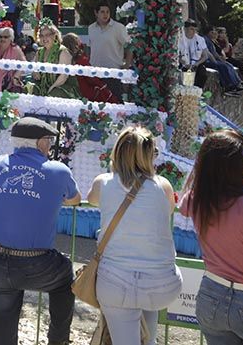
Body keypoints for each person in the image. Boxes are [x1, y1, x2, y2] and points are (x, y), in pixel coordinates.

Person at [0, 117, 81, 345]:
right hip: (35, 263)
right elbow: (74, 199)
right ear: (41, 143)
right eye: (48, 141)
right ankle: (58, 340)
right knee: (65, 278)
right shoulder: (58, 171)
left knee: (1, 329)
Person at [179, 129, 243, 345]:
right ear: (240, 165)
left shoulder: (198, 201)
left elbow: (184, 198)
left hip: (211, 295)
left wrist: (203, 166)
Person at [85, 127, 181, 345]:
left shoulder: (104, 182)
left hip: (116, 283)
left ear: (118, 152)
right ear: (149, 155)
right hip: (161, 282)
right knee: (149, 326)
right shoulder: (163, 185)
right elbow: (167, 210)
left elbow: (92, 199)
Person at [179, 19, 241, 95]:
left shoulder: (200, 39)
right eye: (191, 29)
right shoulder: (180, 39)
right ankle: (188, 95)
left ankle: (197, 94)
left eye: (195, 29)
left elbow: (205, 55)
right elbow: (177, 55)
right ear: (185, 29)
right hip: (184, 65)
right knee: (187, 79)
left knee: (203, 75)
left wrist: (196, 64)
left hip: (197, 64)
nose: (194, 32)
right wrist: (185, 64)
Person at [87, 3, 131, 100]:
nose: (105, 14)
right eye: (102, 12)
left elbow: (129, 47)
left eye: (107, 12)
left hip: (113, 73)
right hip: (95, 73)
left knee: (115, 103)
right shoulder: (91, 28)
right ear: (96, 13)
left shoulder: (118, 28)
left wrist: (127, 64)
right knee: (96, 103)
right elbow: (90, 48)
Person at [61, 33, 118, 103]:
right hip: (84, 90)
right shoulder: (81, 60)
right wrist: (102, 85)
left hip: (73, 90)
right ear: (74, 43)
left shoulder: (64, 59)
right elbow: (91, 78)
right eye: (77, 39)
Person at [31, 21, 80, 99]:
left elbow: (63, 77)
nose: (44, 38)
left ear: (55, 35)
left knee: (53, 95)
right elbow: (33, 68)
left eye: (47, 35)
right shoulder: (39, 52)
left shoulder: (63, 51)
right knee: (30, 90)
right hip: (44, 86)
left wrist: (50, 90)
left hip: (62, 87)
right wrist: (35, 72)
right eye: (42, 35)